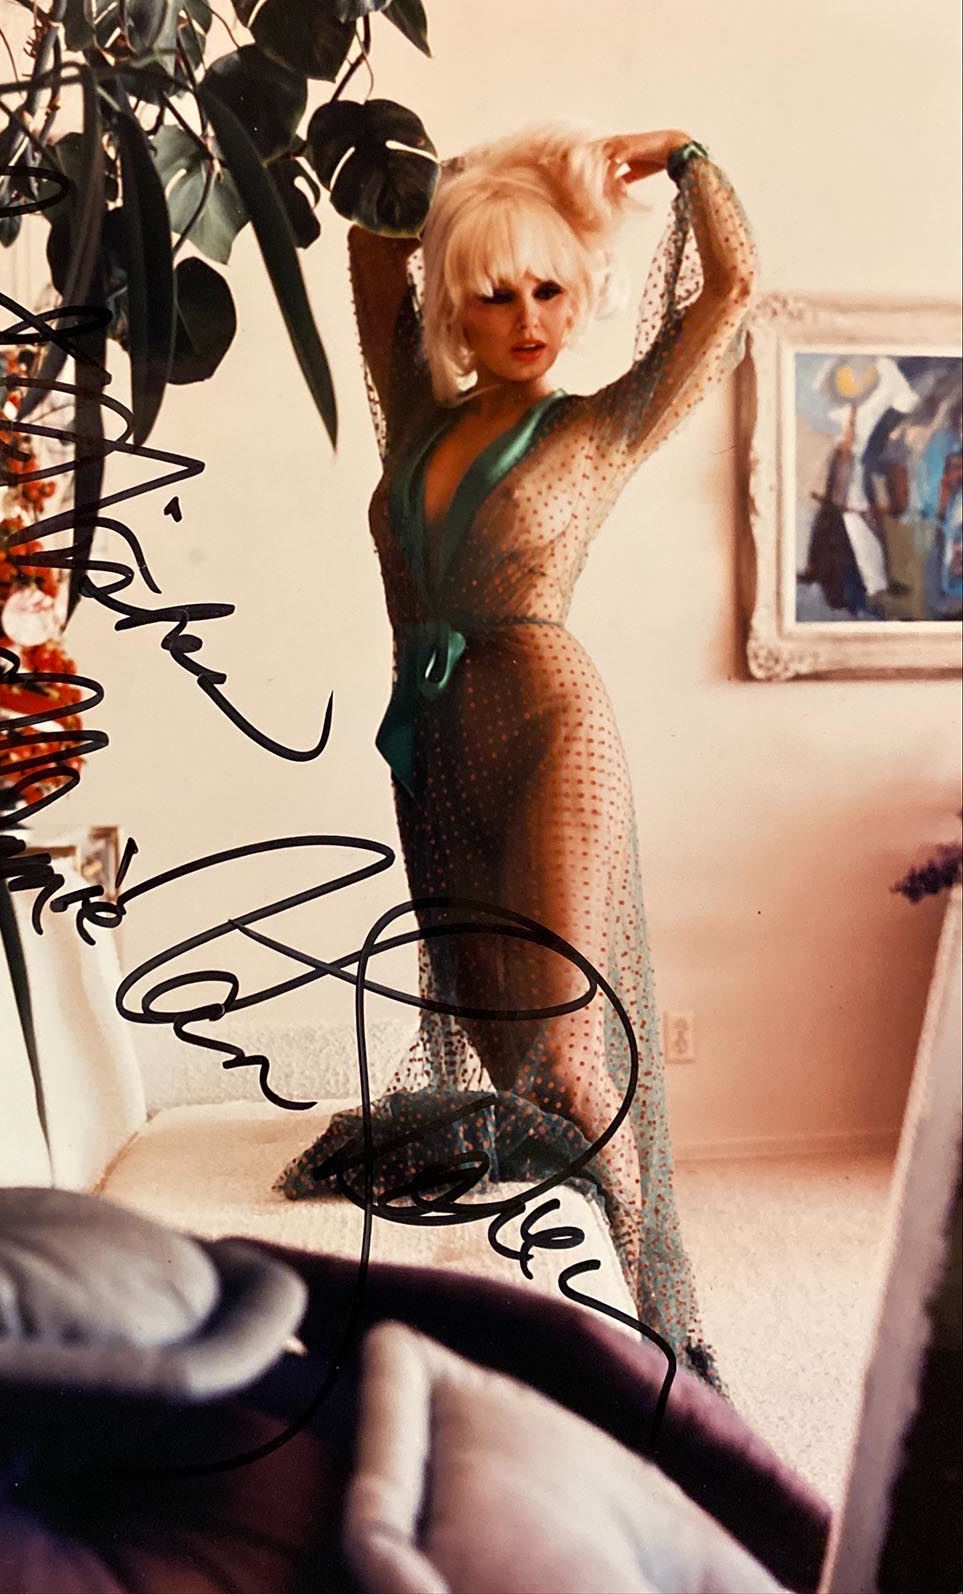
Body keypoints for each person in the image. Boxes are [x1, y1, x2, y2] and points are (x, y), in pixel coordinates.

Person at [279, 123, 758, 1389]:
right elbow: (371, 238)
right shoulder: (411, 414)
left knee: (567, 1054)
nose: (528, 318)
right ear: (457, 305)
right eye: (496, 293)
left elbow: (731, 291)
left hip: (550, 728)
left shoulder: (601, 425)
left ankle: (661, 1356)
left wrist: (683, 159)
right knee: (507, 1070)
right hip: (432, 745)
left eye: (549, 288)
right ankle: (566, 1326)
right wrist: (484, 180)